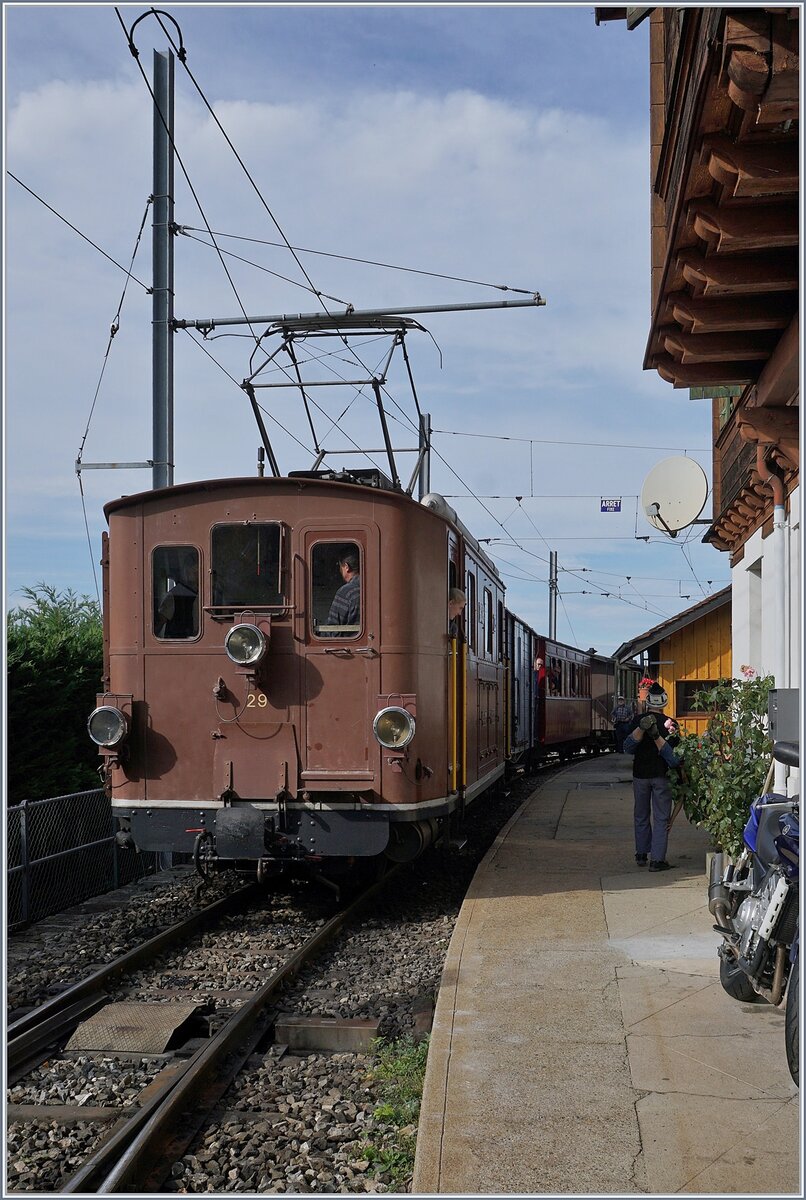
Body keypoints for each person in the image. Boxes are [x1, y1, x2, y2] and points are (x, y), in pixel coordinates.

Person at [624, 682, 681, 871]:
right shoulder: (671, 724)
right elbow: (674, 759)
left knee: (640, 815)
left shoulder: (637, 721)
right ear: (665, 701)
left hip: (640, 775)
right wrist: (658, 737)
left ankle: (641, 853)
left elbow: (627, 748)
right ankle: (657, 860)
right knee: (661, 818)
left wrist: (641, 729)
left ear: (647, 701)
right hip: (661, 775)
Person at [325, 552, 361, 632]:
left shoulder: (346, 592)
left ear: (346, 567)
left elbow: (333, 629)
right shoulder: (373, 587)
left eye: (340, 566)